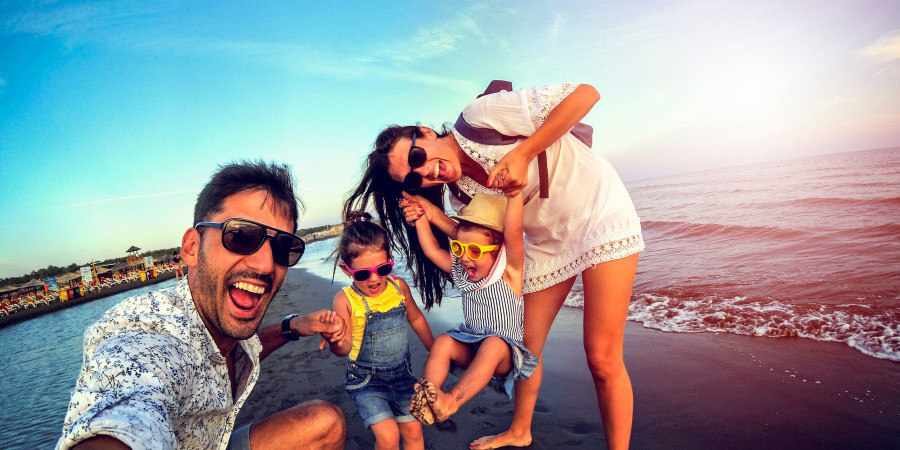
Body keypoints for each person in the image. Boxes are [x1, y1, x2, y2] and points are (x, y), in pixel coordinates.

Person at [343, 83, 644, 450]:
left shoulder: (479, 118)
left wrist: (525, 152)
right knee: (524, 350)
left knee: (601, 357)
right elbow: (471, 234)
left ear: (424, 133)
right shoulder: (461, 192)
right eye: (412, 178)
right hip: (546, 243)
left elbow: (586, 94)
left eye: (417, 157)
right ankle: (520, 430)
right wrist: (427, 215)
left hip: (597, 212)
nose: (424, 174)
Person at [57, 160, 347, 450]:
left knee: (326, 423)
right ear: (192, 247)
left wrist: (291, 327)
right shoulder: (149, 332)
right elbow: (128, 400)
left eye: (282, 247)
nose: (266, 264)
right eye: (242, 236)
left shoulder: (221, 324)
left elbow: (245, 350)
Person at [405, 191, 537, 426]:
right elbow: (432, 251)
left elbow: (514, 234)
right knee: (443, 342)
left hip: (504, 355)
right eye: (459, 248)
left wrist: (516, 193)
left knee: (493, 344)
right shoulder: (462, 273)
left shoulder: (510, 272)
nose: (465, 258)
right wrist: (420, 218)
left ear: (497, 250)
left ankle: (451, 401)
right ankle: (428, 399)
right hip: (472, 348)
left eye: (475, 251)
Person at [325, 211, 434, 450]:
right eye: (363, 274)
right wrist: (335, 340)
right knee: (387, 437)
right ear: (347, 270)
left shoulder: (398, 287)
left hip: (403, 376)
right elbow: (344, 348)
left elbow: (415, 319)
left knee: (414, 429)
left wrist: (434, 351)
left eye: (382, 269)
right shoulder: (345, 300)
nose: (374, 279)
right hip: (367, 382)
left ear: (390, 260)